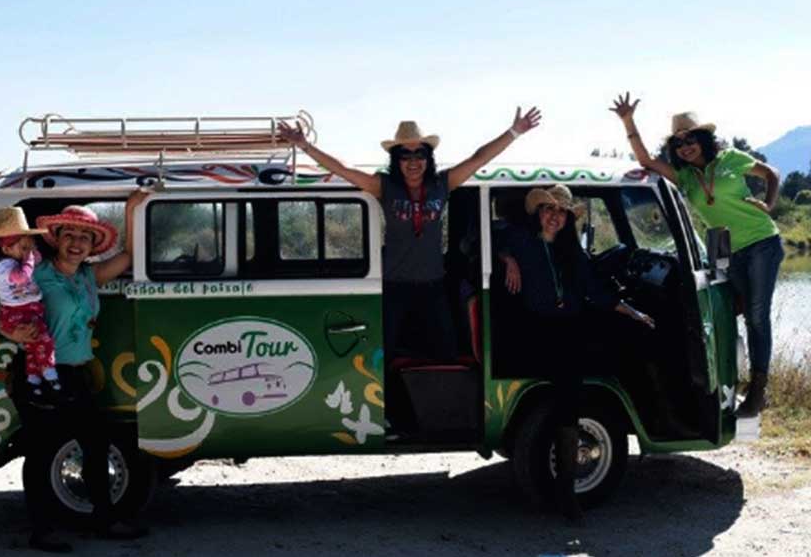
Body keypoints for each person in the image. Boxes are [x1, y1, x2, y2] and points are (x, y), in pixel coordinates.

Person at [278, 108, 541, 364]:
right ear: (396, 160)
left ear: (428, 158)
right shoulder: (386, 186)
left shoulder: (442, 184)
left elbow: (478, 158)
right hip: (394, 286)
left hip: (433, 286)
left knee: (446, 352)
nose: (413, 162)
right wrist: (304, 145)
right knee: (385, 354)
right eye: (405, 155)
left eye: (420, 154)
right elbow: (343, 169)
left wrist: (514, 132)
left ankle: (435, 405)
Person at [611, 93, 782, 416]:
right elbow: (646, 161)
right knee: (724, 309)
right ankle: (722, 383)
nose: (685, 146)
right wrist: (628, 121)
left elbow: (772, 173)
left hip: (760, 242)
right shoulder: (686, 177)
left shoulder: (731, 158)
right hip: (723, 246)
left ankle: (759, 390)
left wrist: (769, 204)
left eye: (690, 139)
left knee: (757, 316)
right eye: (678, 143)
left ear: (703, 139)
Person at [1, 193, 148, 552]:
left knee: (95, 444)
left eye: (85, 237)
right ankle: (42, 530)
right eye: (69, 235)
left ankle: (103, 519)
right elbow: (5, 311)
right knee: (40, 449)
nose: (76, 243)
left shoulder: (88, 277)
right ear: (57, 237)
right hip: (39, 371)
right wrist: (10, 333)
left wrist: (132, 211)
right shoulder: (37, 272)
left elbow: (129, 256)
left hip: (74, 374)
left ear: (93, 245)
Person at [498, 184, 654, 520]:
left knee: (573, 395)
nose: (554, 216)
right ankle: (561, 485)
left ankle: (567, 487)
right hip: (534, 328)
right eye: (548, 209)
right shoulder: (520, 241)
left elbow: (595, 293)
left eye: (561, 212)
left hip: (567, 328)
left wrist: (633, 312)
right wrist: (508, 259)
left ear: (568, 218)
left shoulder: (573, 252)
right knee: (563, 393)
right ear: (538, 213)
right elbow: (482, 241)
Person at [0, 207, 62, 406]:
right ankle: (49, 372)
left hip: (24, 308)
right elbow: (22, 277)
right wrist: (29, 259)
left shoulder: (10, 258)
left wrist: (30, 254)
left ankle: (34, 379)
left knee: (32, 346)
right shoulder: (4, 267)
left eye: (29, 247)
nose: (28, 253)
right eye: (24, 248)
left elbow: (34, 260)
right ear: (6, 249)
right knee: (43, 340)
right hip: (19, 311)